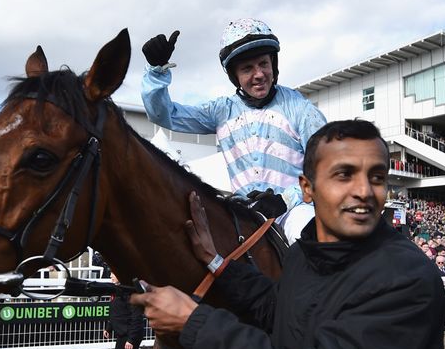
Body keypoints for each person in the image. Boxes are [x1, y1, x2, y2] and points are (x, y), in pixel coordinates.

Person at [131, 119, 445, 349]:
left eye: (376, 177)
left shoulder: (405, 278)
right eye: (344, 175)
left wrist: (193, 322)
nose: (364, 191)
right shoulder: (305, 252)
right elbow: (279, 310)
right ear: (307, 188)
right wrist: (217, 261)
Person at [140, 18, 327, 243]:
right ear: (234, 76)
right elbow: (164, 115)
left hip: (293, 211)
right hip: (242, 215)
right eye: (247, 68)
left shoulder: (303, 110)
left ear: (273, 65)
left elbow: (327, 168)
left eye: (263, 64)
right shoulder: (220, 111)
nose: (258, 74)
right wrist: (156, 72)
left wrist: (285, 200)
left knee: (308, 237)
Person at [103, 273, 146, 349]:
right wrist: (108, 328)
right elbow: (115, 313)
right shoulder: (117, 291)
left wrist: (131, 339)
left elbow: (137, 318)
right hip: (122, 333)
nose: (110, 276)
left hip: (131, 334)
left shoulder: (130, 293)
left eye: (113, 274)